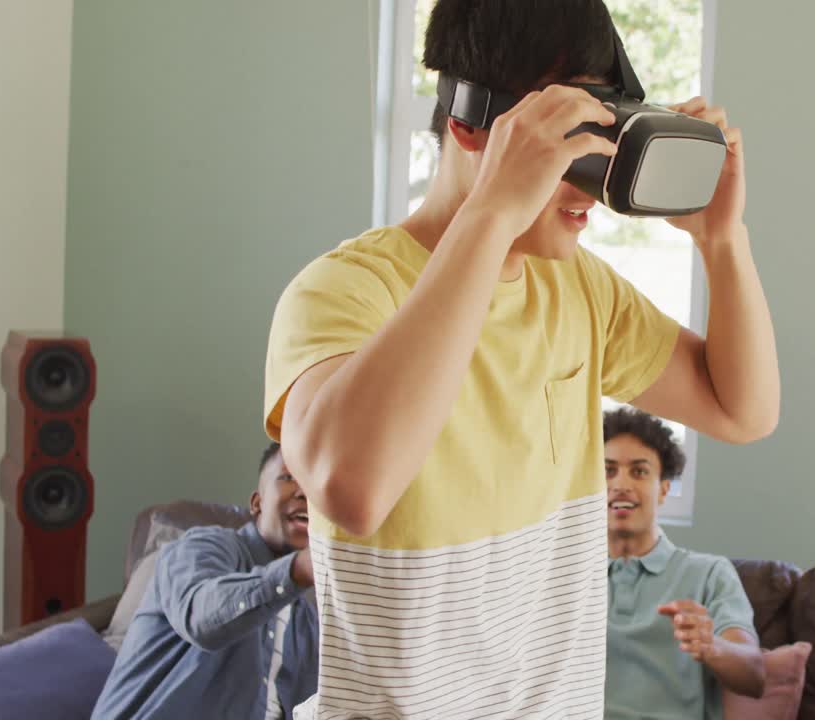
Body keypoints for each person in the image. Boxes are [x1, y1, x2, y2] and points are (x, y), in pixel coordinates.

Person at [262, 0, 780, 715]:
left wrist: (723, 242)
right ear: (470, 125)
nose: (593, 180)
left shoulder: (576, 287)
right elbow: (351, 486)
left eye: (601, 137)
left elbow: (742, 410)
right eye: (567, 139)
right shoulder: (344, 291)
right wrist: (493, 212)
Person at [91, 443, 318, 720]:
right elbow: (202, 617)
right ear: (257, 503)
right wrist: (298, 570)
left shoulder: (306, 621)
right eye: (289, 477)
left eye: (314, 482)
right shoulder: (202, 548)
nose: (304, 492)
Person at [602, 408, 764, 719]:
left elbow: (754, 675)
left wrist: (712, 645)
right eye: (608, 470)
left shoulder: (709, 574)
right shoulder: (563, 573)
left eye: (639, 471)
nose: (620, 483)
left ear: (663, 489)